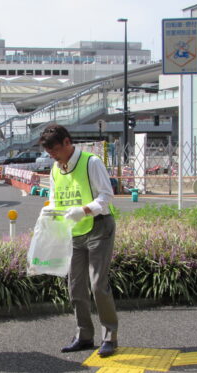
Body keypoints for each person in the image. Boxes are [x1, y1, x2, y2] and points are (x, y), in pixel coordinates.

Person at [39, 124, 118, 358]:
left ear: (67, 142)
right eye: (49, 152)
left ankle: (110, 337)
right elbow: (54, 198)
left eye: (55, 150)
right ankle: (84, 335)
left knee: (97, 285)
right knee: (75, 286)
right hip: (73, 231)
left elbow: (106, 197)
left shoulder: (91, 162)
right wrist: (50, 211)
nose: (53, 155)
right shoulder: (55, 168)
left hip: (98, 227)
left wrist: (84, 210)